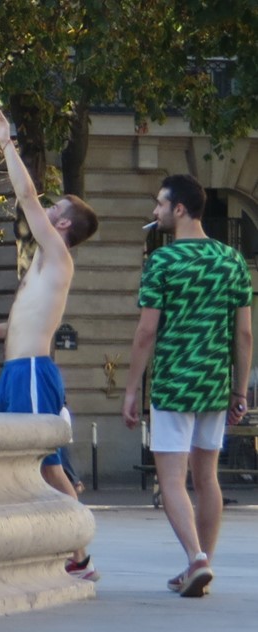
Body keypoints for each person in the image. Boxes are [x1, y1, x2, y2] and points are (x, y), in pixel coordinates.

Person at [0, 103, 103, 581]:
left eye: (55, 210)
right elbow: (37, 319)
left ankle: (81, 553)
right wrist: (1, 331)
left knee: (47, 468)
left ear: (63, 225)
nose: (46, 212)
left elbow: (26, 196)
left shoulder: (57, 254)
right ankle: (46, 547)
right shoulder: (45, 262)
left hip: (30, 372)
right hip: (17, 369)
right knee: (19, 467)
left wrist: (7, 143)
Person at [122, 173, 253, 598]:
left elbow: (146, 333)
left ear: (179, 209)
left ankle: (195, 559)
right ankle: (201, 563)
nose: (155, 211)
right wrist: (239, 391)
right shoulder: (232, 260)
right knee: (207, 478)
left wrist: (130, 389)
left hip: (174, 383)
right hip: (215, 384)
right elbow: (245, 335)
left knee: (172, 480)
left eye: (160, 204)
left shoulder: (162, 261)